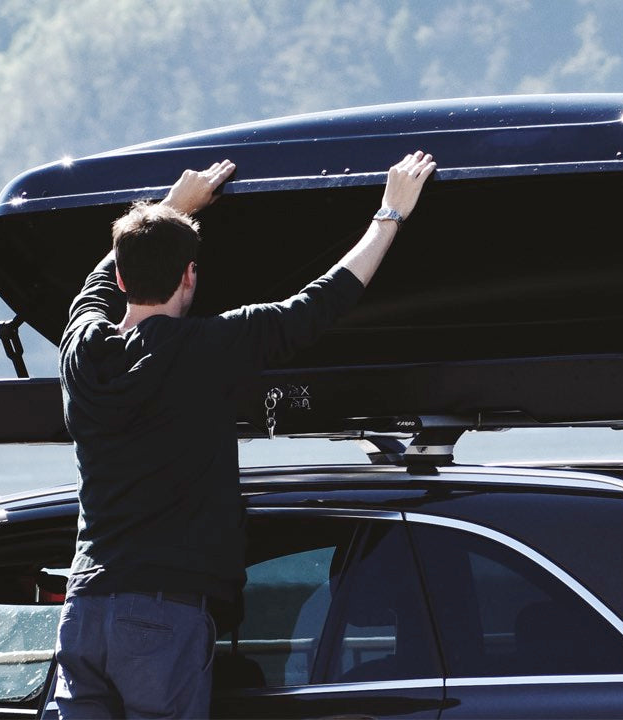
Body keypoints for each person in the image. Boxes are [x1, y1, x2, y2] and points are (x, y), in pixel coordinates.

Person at [51, 150, 436, 719]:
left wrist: (172, 207)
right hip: (163, 611)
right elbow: (317, 304)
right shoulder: (208, 348)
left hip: (83, 608)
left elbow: (94, 284)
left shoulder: (80, 349)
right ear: (189, 275)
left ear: (124, 278)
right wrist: (391, 214)